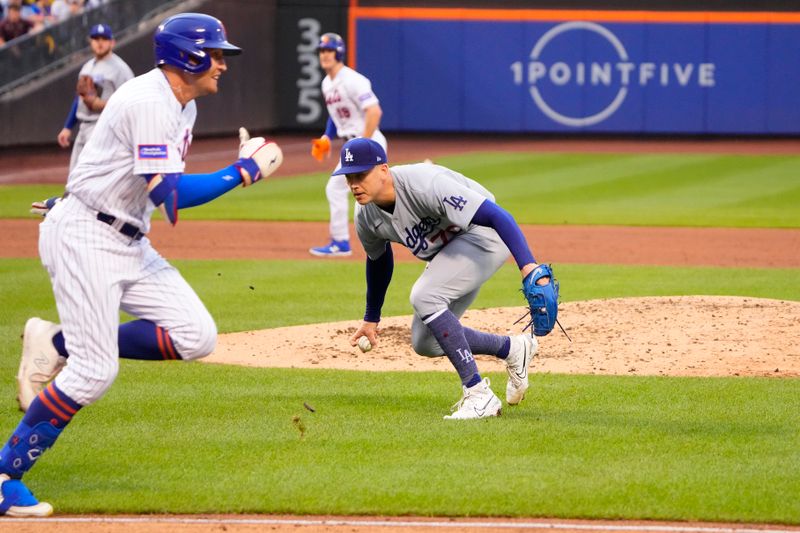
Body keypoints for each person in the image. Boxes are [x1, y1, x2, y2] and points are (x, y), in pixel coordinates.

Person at [1, 12, 282, 517]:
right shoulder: (150, 101)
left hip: (126, 235)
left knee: (197, 336)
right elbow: (170, 197)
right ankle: (5, 475)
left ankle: (58, 341)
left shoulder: (183, 105)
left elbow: (134, 180)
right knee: (94, 372)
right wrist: (244, 171)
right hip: (88, 236)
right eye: (215, 55)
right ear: (188, 58)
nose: (222, 64)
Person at [341, 138, 557, 420]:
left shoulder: (424, 183)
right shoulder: (366, 217)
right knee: (426, 342)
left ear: (383, 169)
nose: (354, 184)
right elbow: (379, 261)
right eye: (348, 177)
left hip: (483, 238)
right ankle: (514, 349)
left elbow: (497, 215)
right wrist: (372, 317)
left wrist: (527, 265)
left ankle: (478, 393)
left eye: (361, 175)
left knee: (424, 296)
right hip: (452, 256)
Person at [308, 32, 385, 257]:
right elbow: (334, 115)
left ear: (339, 52)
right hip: (353, 145)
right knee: (362, 192)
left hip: (367, 142)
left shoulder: (353, 80)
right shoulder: (326, 83)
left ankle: (341, 242)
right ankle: (344, 242)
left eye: (329, 50)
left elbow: (374, 111)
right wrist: (326, 137)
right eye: (322, 51)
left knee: (354, 191)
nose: (324, 55)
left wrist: (364, 142)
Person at [57, 23, 133, 171]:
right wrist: (67, 127)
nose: (99, 42)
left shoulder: (121, 69)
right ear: (90, 42)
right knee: (74, 176)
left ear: (112, 42)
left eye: (104, 39)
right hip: (84, 127)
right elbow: (78, 100)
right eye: (96, 38)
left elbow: (130, 102)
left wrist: (102, 104)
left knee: (92, 174)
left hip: (104, 127)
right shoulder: (87, 67)